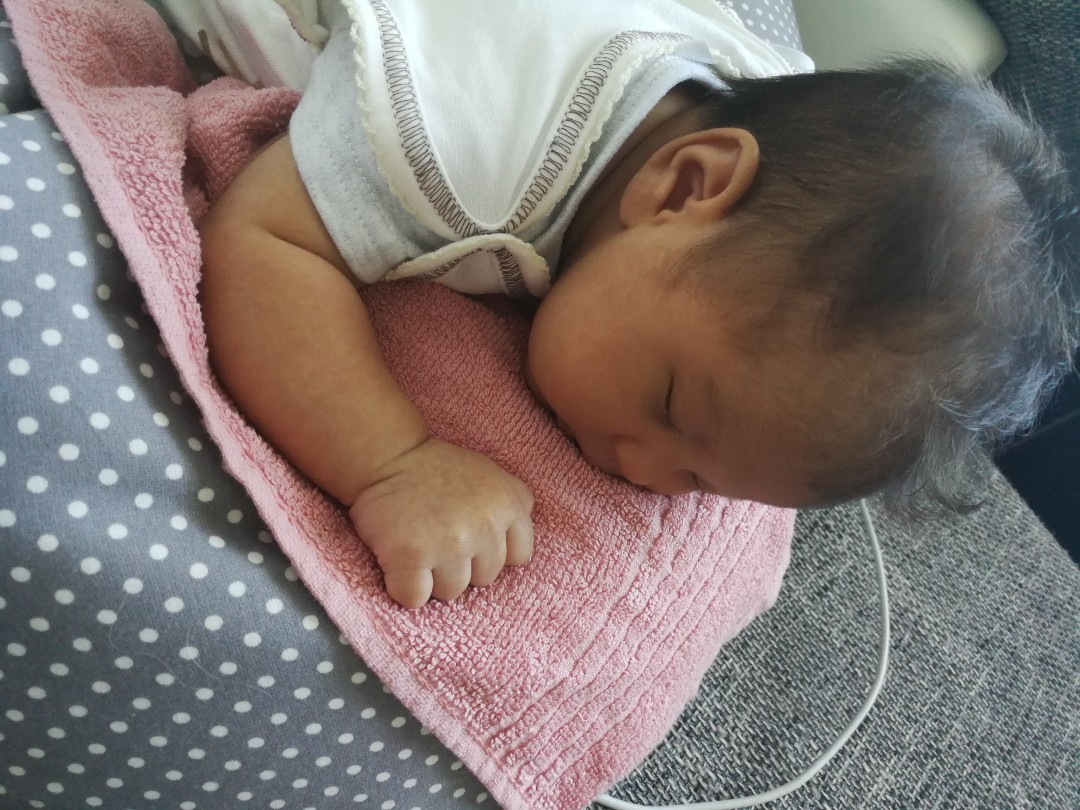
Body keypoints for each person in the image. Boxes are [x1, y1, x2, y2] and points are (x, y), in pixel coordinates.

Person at [195, 0, 1079, 608]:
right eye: (670, 403)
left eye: (698, 483)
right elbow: (266, 241)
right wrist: (394, 464)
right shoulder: (463, 148)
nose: (645, 474)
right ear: (688, 186)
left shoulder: (755, 108)